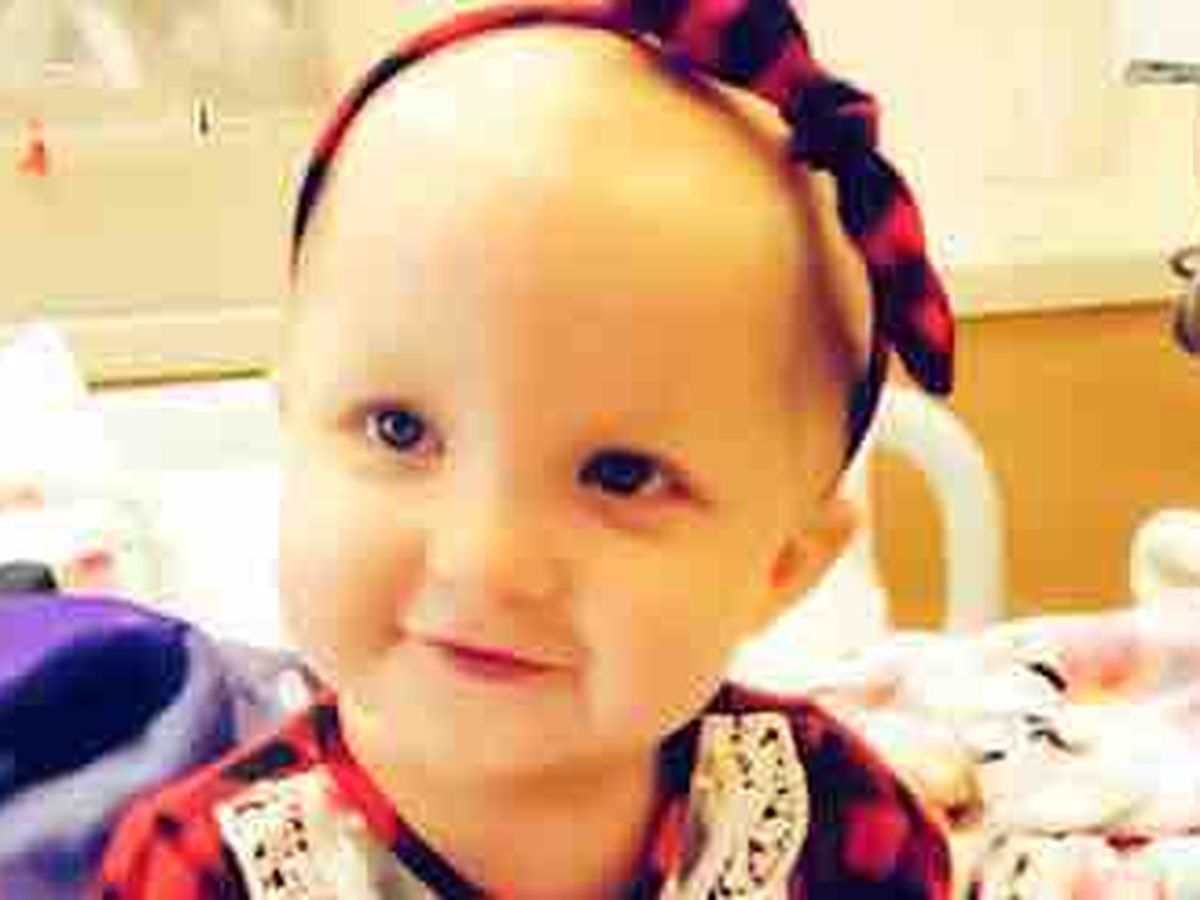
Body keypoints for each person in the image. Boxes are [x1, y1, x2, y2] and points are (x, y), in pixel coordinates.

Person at [95, 1, 956, 897]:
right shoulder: (203, 870)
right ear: (293, 426)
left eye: (620, 475)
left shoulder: (836, 826)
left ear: (782, 566)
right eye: (400, 429)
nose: (486, 562)